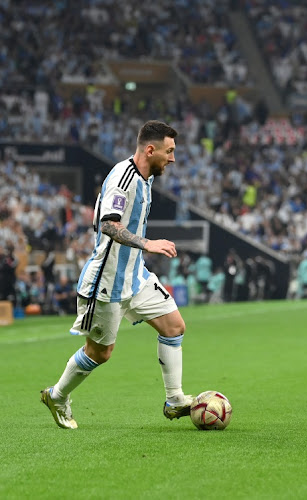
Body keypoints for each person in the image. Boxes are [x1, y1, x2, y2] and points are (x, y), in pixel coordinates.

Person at [40, 120, 193, 429]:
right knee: (100, 352)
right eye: (169, 151)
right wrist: (147, 243)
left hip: (135, 276)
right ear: (150, 150)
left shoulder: (146, 176)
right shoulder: (124, 180)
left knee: (174, 327)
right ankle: (57, 395)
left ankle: (174, 399)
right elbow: (108, 224)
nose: (173, 159)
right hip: (107, 282)